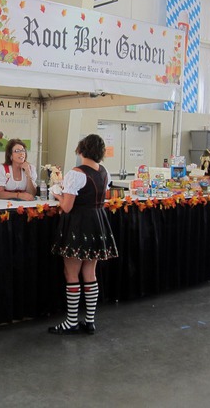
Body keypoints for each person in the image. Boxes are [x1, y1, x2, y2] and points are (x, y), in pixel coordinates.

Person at [48, 134, 118, 335]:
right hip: (97, 222)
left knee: (71, 272)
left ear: (81, 150)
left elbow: (67, 207)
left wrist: (57, 193)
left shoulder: (76, 173)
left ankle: (71, 321)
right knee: (90, 272)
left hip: (78, 225)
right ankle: (90, 321)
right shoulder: (104, 172)